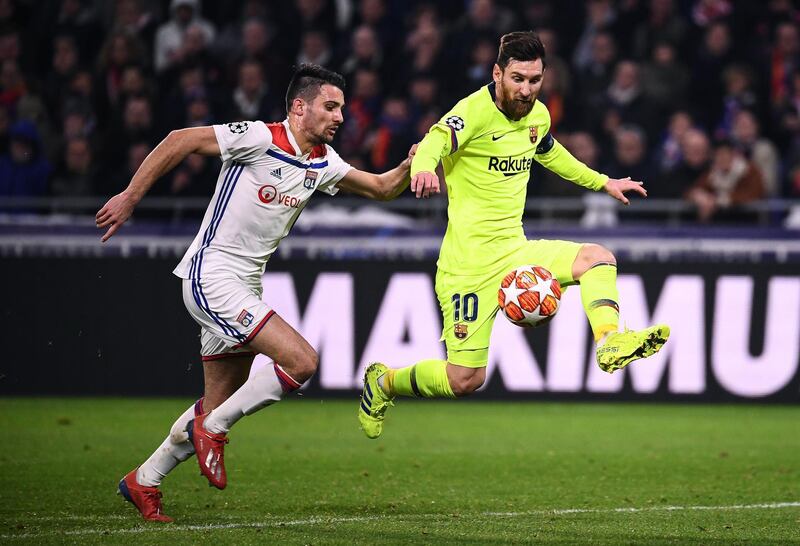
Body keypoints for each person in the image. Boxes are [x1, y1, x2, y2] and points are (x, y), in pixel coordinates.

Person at [96, 64, 423, 522]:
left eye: (342, 109)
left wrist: (412, 165)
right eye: (330, 107)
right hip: (211, 276)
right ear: (299, 107)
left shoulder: (323, 162)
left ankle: (144, 480)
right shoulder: (259, 138)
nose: (340, 117)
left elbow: (383, 188)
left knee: (216, 404)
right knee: (302, 361)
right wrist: (131, 196)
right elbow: (179, 139)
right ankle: (215, 430)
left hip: (243, 285)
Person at [358, 32, 670, 439]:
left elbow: (551, 153)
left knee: (598, 257)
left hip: (515, 251)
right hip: (467, 268)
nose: (526, 90)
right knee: (464, 380)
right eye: (518, 78)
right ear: (498, 73)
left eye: (535, 80)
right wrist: (422, 169)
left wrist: (603, 182)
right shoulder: (472, 112)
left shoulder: (537, 116)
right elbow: (436, 138)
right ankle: (382, 383)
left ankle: (609, 341)